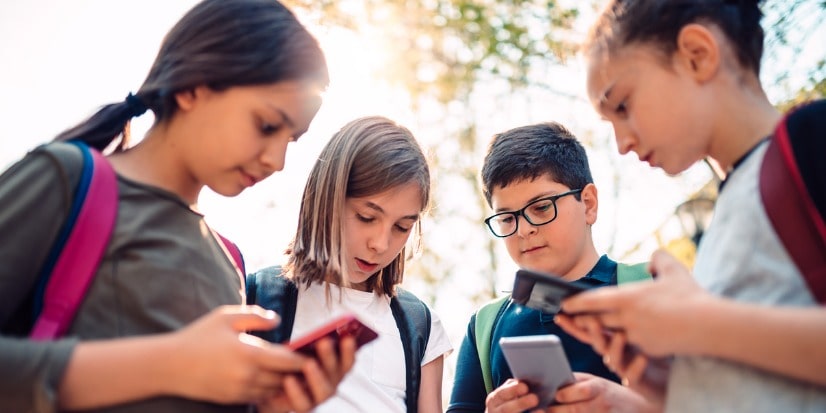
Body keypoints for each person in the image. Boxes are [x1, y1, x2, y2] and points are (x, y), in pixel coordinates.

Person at [0, 1, 356, 412]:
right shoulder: (66, 179)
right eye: (266, 126)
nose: (277, 161)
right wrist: (168, 364)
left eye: (291, 140)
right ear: (193, 87)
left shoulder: (230, 265)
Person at [555, 0, 826, 412]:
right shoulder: (727, 213)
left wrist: (696, 324)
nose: (621, 143)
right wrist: (665, 392)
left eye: (623, 105)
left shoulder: (812, 141)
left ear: (697, 55)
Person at [247, 116, 453, 413]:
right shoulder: (256, 298)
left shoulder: (420, 324)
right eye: (367, 218)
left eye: (402, 227)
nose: (381, 244)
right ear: (328, 197)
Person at [447, 122, 656, 413]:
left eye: (542, 207)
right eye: (507, 218)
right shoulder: (484, 326)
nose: (523, 230)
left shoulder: (653, 287)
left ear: (589, 203)